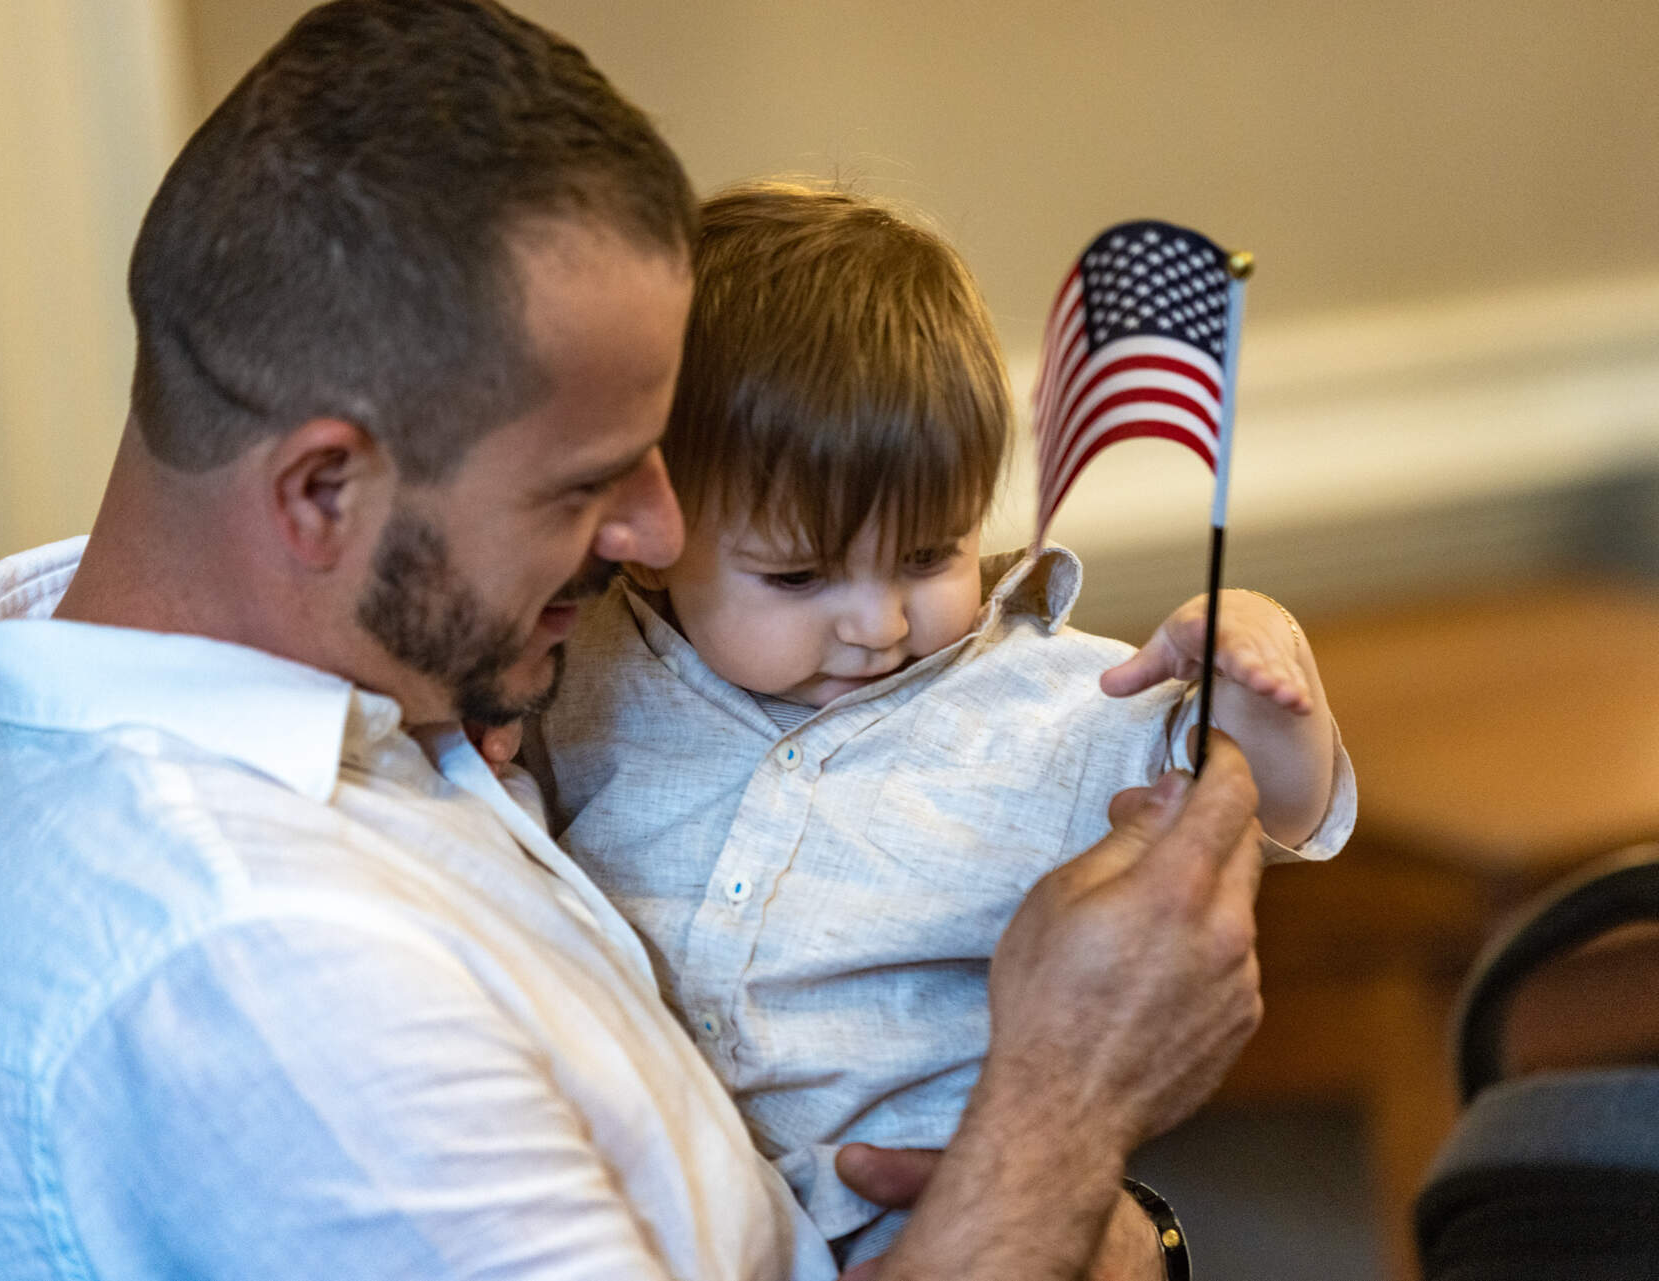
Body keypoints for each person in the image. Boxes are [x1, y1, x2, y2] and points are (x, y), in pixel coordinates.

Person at [0, 3, 1267, 1278]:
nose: (655, 531)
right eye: (585, 487)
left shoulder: (362, 705)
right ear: (324, 491)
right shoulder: (268, 964)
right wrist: (1064, 1111)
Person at [527, 182, 1357, 1263]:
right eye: (799, 576)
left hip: (950, 1227)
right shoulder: (582, 669)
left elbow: (1270, 808)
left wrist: (1265, 682)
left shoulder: (1050, 704)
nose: (875, 623)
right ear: (656, 533)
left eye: (928, 558)